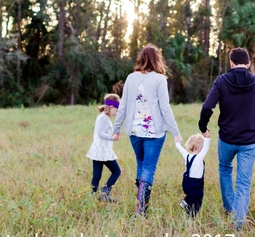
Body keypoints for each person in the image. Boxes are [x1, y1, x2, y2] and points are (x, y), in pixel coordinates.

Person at [199, 48, 255, 228]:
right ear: (248, 64)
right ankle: (238, 223)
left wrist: (203, 126)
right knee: (243, 182)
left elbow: (207, 107)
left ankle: (229, 208)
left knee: (225, 169)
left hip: (226, 138)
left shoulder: (221, 81)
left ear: (231, 63)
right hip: (249, 141)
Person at [113, 44, 182, 215]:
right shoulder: (159, 79)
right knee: (148, 167)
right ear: (157, 59)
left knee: (141, 163)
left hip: (134, 132)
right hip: (154, 133)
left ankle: (140, 204)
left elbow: (122, 107)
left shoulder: (131, 78)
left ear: (141, 58)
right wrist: (176, 133)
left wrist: (117, 129)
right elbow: (165, 108)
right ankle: (141, 209)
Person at [86, 93, 122, 202]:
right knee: (116, 171)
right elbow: (101, 133)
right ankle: (105, 192)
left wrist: (115, 132)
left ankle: (93, 196)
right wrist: (113, 138)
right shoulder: (105, 118)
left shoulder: (100, 116)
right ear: (111, 107)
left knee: (97, 175)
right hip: (103, 151)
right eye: (116, 109)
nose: (116, 112)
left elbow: (103, 131)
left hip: (97, 150)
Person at [175, 130, 211, 217]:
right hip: (196, 184)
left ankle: (186, 201)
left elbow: (181, 150)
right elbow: (206, 148)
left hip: (186, 182)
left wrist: (177, 143)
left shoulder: (187, 156)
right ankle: (190, 216)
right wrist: (207, 138)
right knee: (197, 200)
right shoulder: (199, 158)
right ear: (199, 148)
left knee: (191, 196)